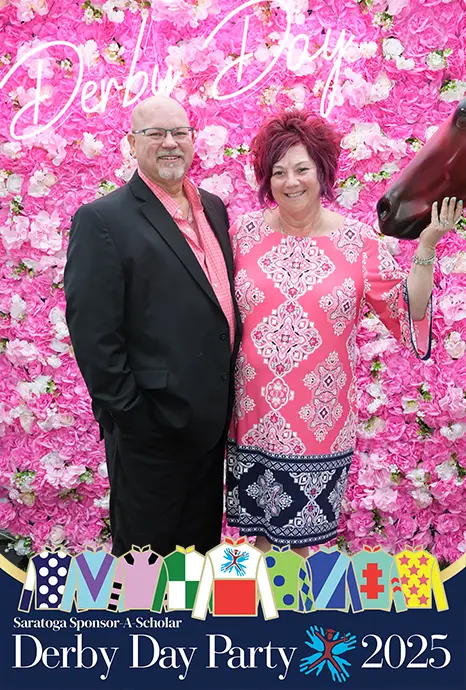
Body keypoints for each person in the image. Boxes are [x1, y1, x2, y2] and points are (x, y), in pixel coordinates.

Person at [226, 109, 463, 555]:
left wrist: (428, 244)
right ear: (266, 179)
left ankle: (289, 604)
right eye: (278, 172)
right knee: (256, 544)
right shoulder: (241, 234)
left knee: (298, 548)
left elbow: (406, 311)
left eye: (301, 169)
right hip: (252, 417)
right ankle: (252, 605)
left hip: (318, 420)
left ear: (322, 172)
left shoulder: (358, 242)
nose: (291, 182)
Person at [64, 96, 241, 557]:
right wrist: (133, 418)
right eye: (155, 134)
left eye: (179, 132)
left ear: (193, 140)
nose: (170, 143)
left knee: (195, 560)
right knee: (143, 564)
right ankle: (139, 612)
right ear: (131, 143)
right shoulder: (103, 219)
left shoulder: (213, 208)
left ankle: (186, 612)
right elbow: (94, 336)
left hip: (208, 430)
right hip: (149, 432)